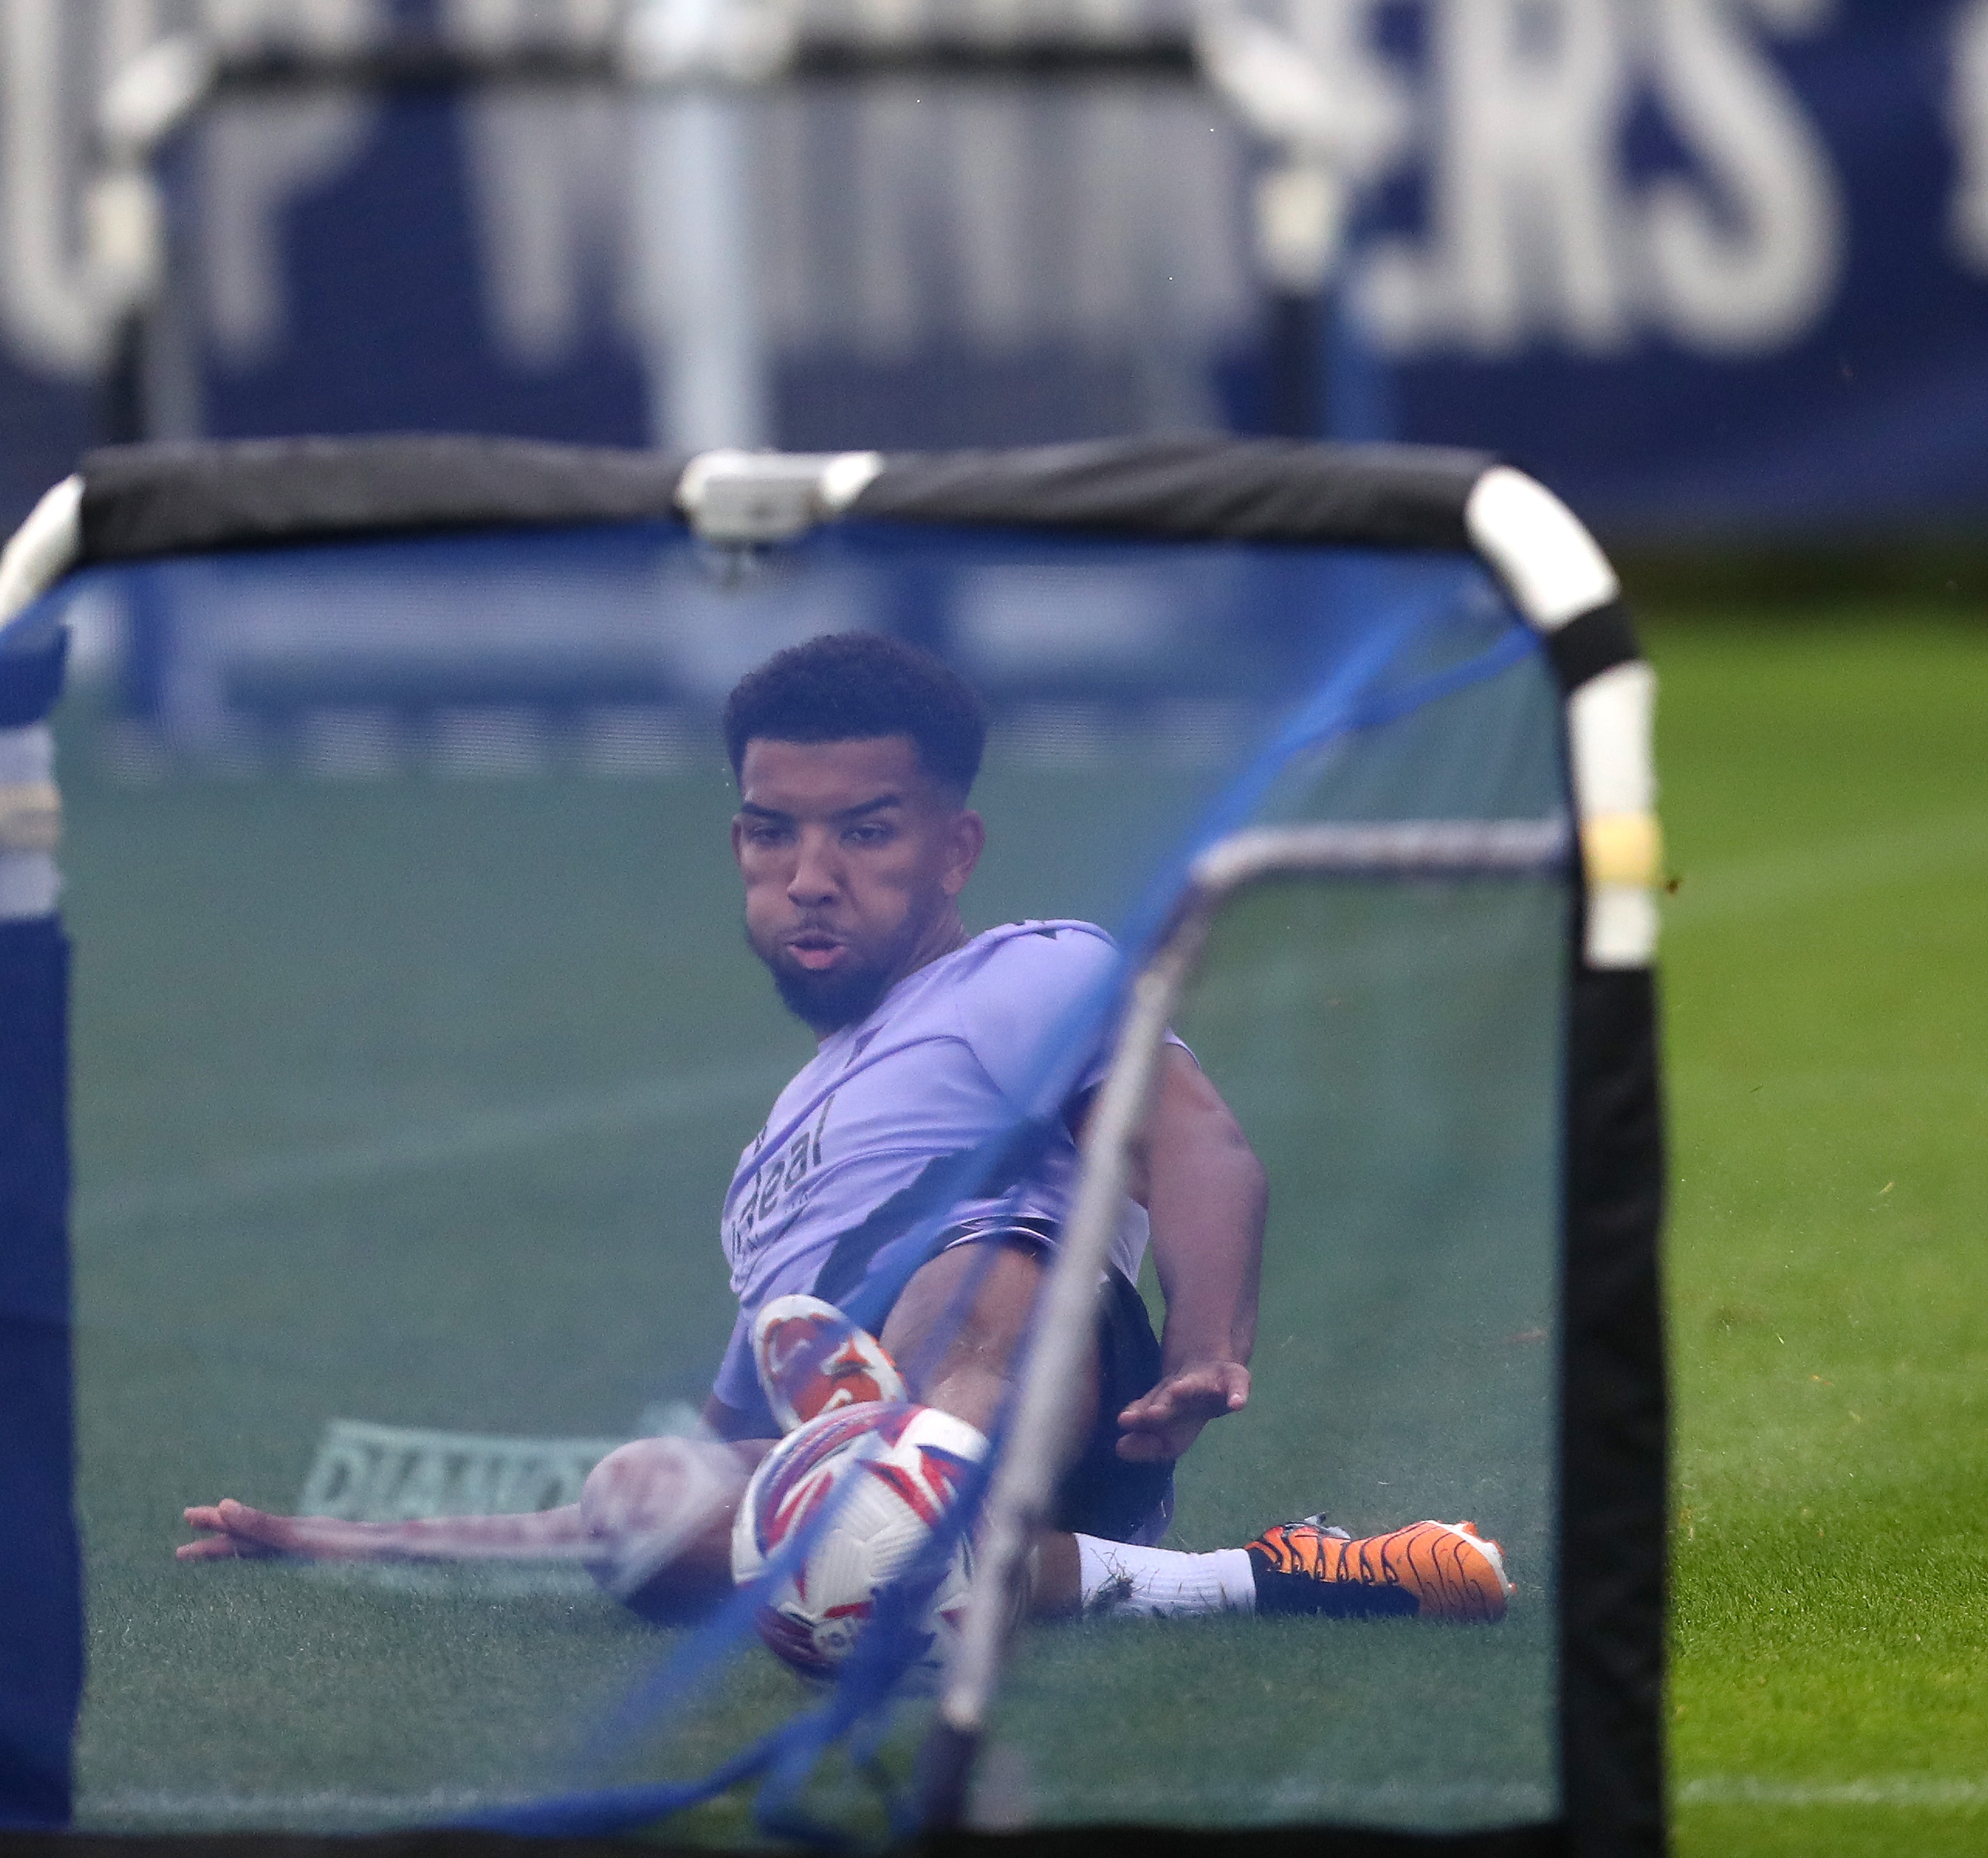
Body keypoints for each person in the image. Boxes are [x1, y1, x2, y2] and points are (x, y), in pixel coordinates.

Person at [179, 631, 1509, 1625]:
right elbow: (698, 1465)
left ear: (955, 847)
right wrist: (346, 1539)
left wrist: (1209, 1346)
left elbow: (1195, 1140)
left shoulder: (1024, 974)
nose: (810, 877)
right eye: (772, 837)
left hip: (1051, 1389)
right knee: (645, 1496)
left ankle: (913, 1484)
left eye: (866, 834)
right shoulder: (763, 1175)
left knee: (977, 1261)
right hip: (863, 1464)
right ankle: (1214, 1581)